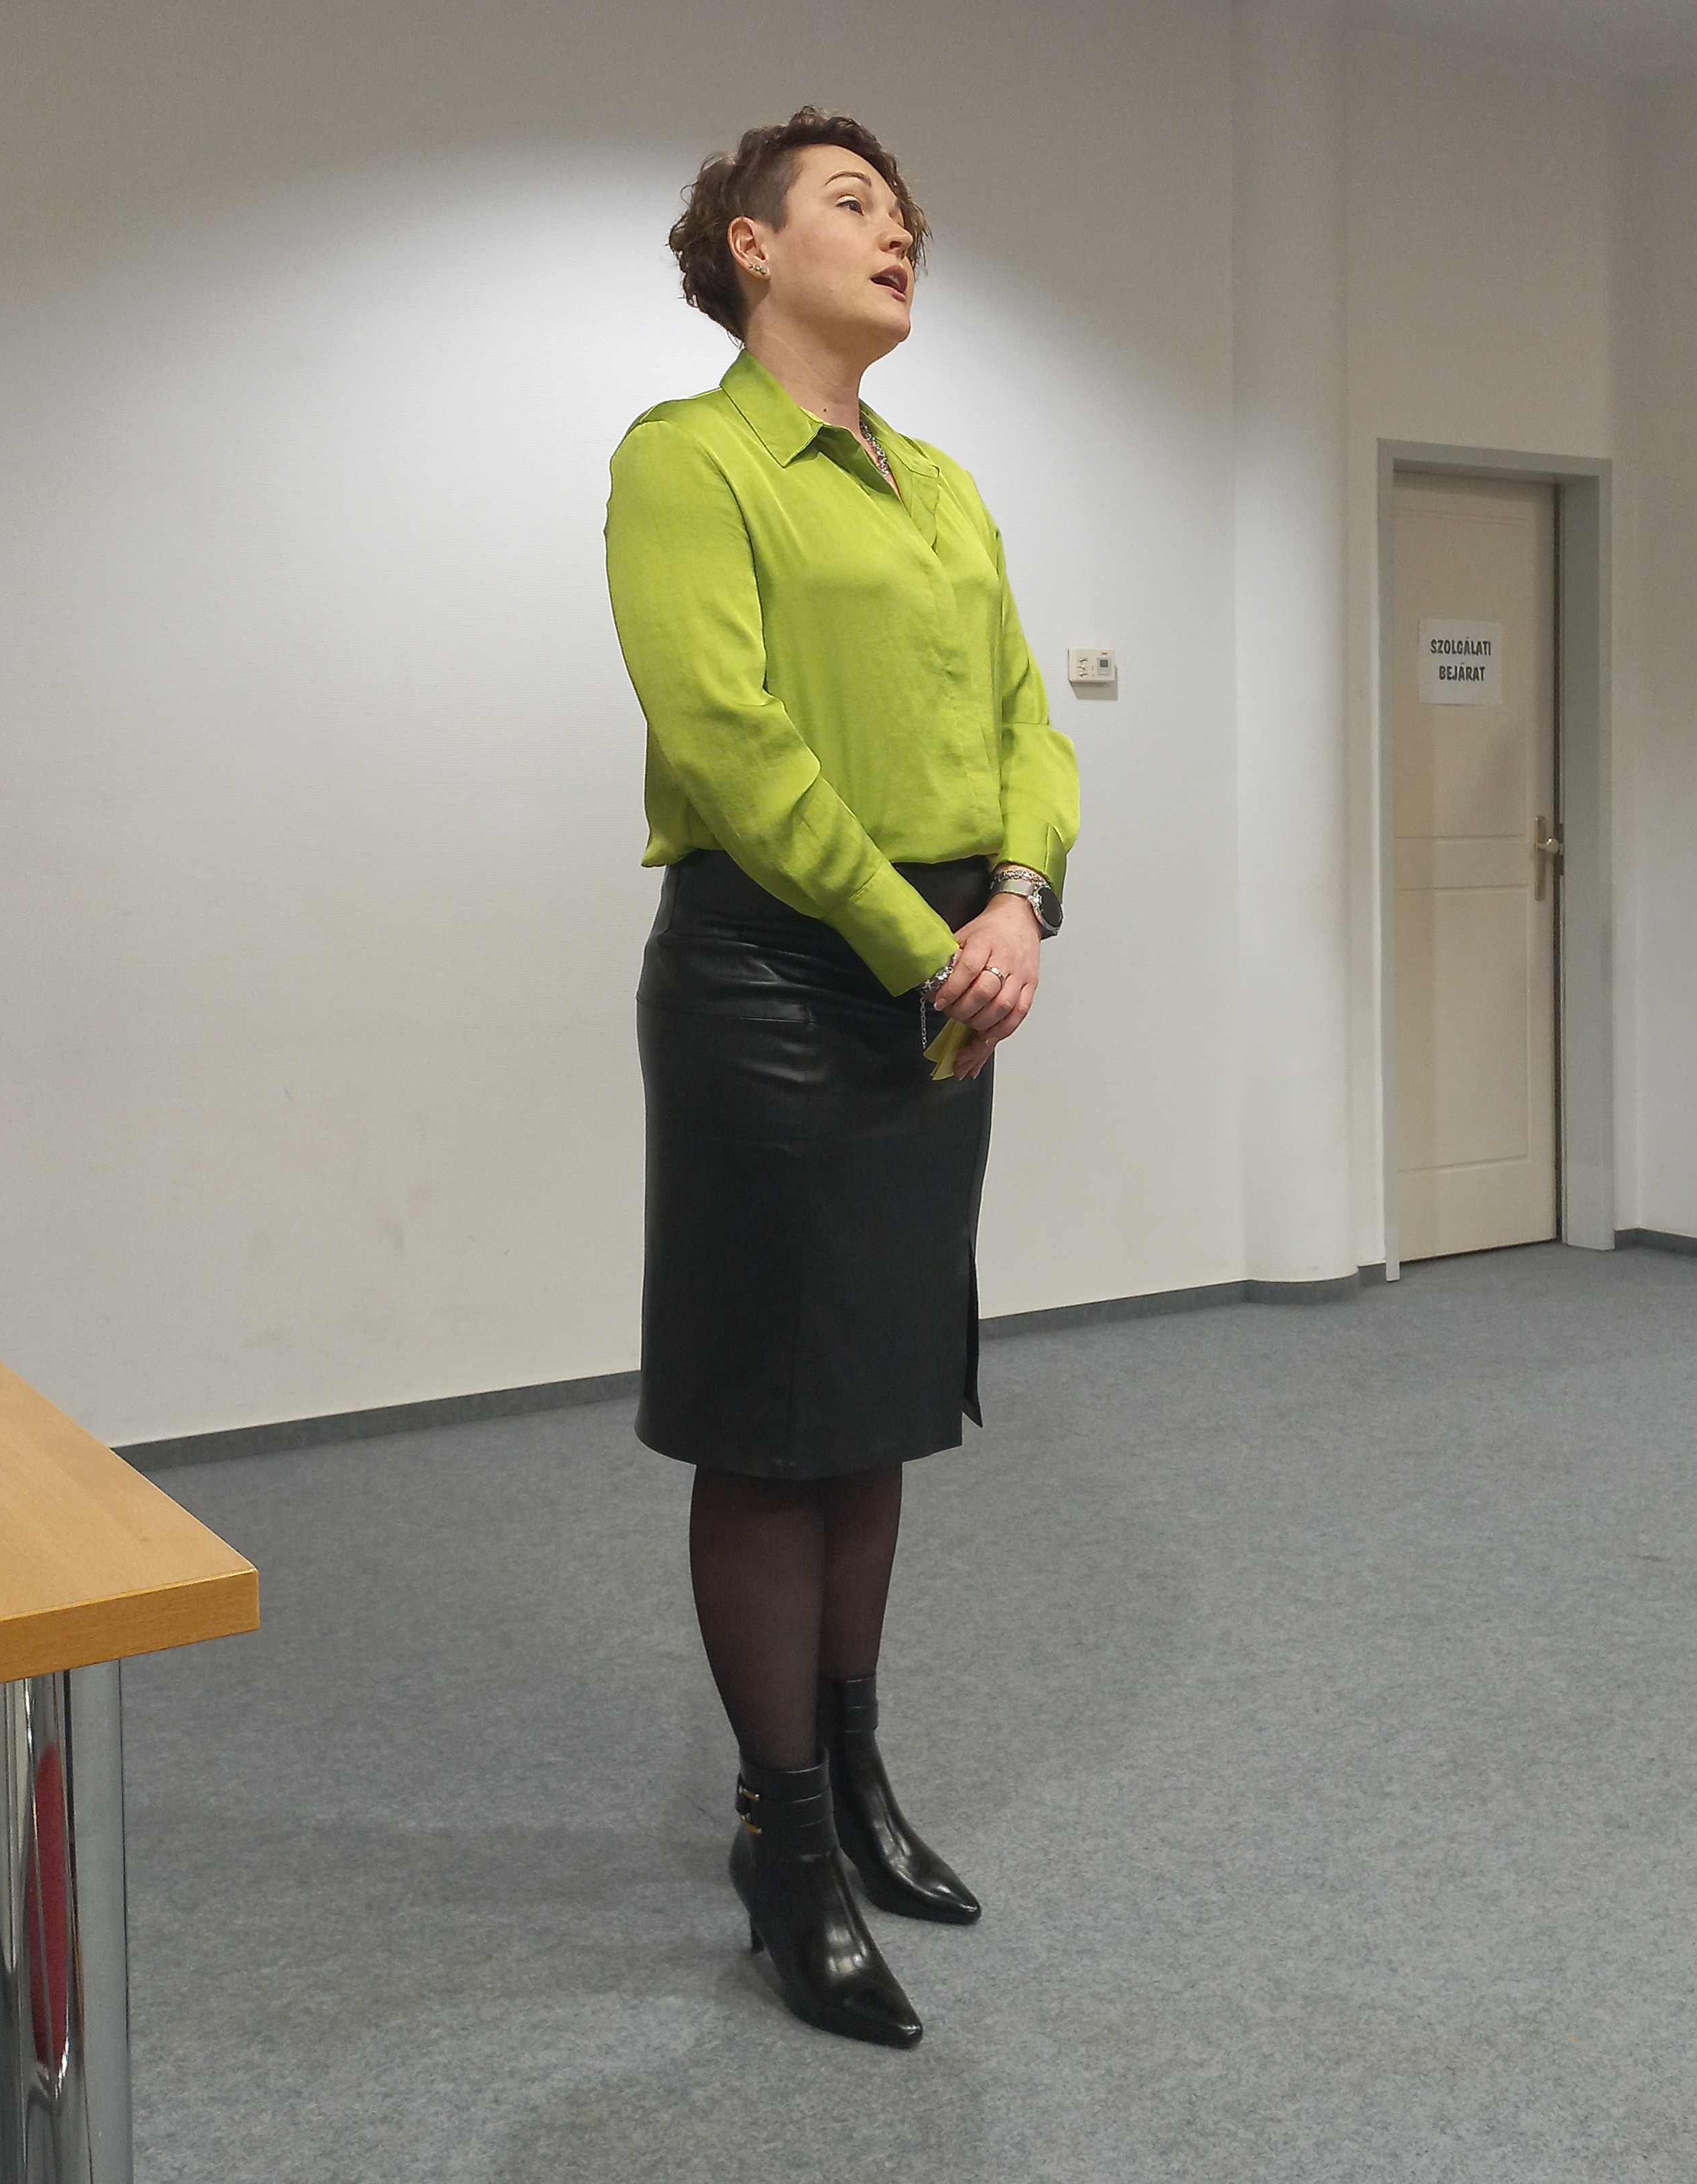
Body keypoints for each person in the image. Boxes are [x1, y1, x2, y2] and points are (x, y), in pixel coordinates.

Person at [605, 108, 1079, 2049]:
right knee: (769, 1420)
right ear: (748, 245)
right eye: (855, 204)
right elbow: (724, 736)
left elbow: (1028, 717)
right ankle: (781, 1838)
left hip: (952, 981)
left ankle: (858, 1776)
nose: (900, 235)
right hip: (779, 985)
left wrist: (1022, 899)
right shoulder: (689, 460)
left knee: (877, 1404)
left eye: (907, 215)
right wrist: (920, 939)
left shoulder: (943, 486)